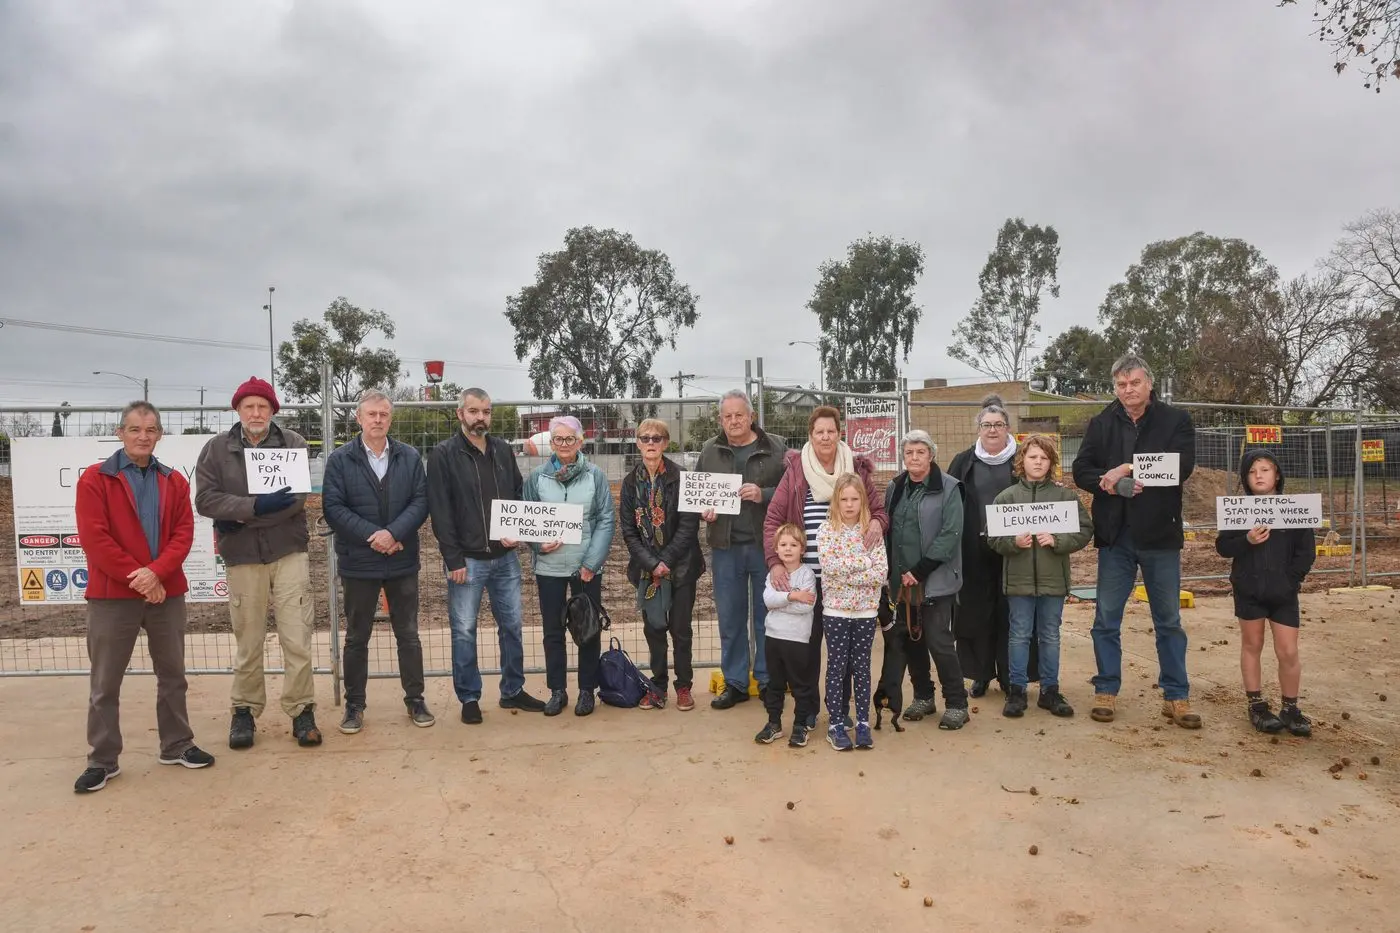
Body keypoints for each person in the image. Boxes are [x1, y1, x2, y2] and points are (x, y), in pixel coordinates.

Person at [73, 402, 215, 792]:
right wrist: (141, 577)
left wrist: (157, 573)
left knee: (172, 674)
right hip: (111, 596)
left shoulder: (174, 481)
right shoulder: (95, 480)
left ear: (159, 435)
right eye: (135, 429)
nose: (142, 436)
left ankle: (176, 744)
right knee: (106, 682)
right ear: (120, 433)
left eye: (150, 429)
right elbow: (95, 539)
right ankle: (102, 760)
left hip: (165, 592)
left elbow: (183, 534)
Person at [1071, 355, 1200, 729]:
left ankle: (1176, 696)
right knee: (1106, 619)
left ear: (1149, 384)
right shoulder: (1100, 423)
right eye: (1121, 385)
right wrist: (1111, 484)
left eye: (1135, 383)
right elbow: (1081, 470)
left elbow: (1181, 467)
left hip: (1160, 535)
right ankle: (1106, 688)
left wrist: (1126, 468)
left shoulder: (1176, 421)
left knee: (1169, 621)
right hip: (1115, 538)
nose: (1128, 390)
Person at [195, 377, 321, 748]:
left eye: (263, 407)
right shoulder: (216, 450)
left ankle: (301, 709)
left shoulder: (292, 443)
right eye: (249, 406)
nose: (256, 413)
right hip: (242, 557)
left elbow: (296, 500)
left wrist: (237, 514)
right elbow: (205, 500)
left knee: (296, 636)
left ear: (272, 411)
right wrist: (254, 507)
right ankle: (244, 711)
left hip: (288, 552)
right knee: (248, 639)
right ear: (238, 410)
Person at [427, 388, 546, 725]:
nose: (481, 417)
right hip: (468, 560)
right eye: (474, 411)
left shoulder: (503, 451)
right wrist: (453, 560)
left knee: (512, 627)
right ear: (460, 414)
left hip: (505, 557)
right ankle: (469, 697)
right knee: (464, 630)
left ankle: (512, 689)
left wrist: (521, 529)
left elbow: (518, 495)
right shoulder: (443, 455)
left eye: (486, 412)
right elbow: (441, 511)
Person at [765, 405, 889, 730]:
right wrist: (776, 562)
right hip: (807, 580)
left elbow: (878, 510)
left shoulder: (856, 470)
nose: (825, 437)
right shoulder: (796, 471)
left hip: (846, 586)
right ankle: (806, 710)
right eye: (819, 431)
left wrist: (877, 522)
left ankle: (840, 709)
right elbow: (774, 519)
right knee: (807, 648)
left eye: (830, 431)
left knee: (844, 654)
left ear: (839, 433)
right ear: (811, 435)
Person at [321, 389, 434, 734]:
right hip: (359, 562)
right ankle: (355, 705)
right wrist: (375, 536)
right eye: (371, 414)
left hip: (402, 560)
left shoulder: (410, 457)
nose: (378, 420)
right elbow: (334, 508)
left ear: (391, 418)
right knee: (357, 637)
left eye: (384, 414)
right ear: (358, 418)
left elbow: (420, 501)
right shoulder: (340, 459)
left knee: (409, 635)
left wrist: (394, 533)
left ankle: (415, 699)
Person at [987, 435, 1092, 718]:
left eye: (1044, 458)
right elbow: (993, 538)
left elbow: (1084, 530)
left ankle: (1050, 690)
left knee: (1049, 635)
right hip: (1018, 582)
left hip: (1053, 581)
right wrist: (1013, 543)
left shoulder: (1064, 497)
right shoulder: (1006, 499)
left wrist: (1058, 541)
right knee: (1019, 635)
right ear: (1022, 461)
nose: (1038, 462)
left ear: (1051, 463)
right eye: (1033, 457)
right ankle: (1017, 691)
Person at [696, 390, 788, 709]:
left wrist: (762, 493)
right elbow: (698, 493)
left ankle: (767, 680)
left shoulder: (776, 447)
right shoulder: (710, 450)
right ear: (720, 420)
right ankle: (734, 682)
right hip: (726, 546)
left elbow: (793, 490)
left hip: (767, 547)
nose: (733, 421)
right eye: (727, 416)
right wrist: (705, 511)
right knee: (731, 618)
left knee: (768, 616)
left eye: (739, 415)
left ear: (751, 417)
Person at [1215, 450, 1317, 736]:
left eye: (1265, 469)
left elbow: (1306, 552)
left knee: (1288, 651)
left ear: (1277, 475)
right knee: (1252, 645)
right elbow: (1223, 547)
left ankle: (1290, 707)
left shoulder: (1295, 509)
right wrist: (1246, 540)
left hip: (1284, 593)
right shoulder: (1237, 510)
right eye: (1252, 471)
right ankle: (1256, 704)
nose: (1258, 475)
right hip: (1248, 589)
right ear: (1246, 478)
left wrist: (1291, 581)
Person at [523, 415, 617, 718]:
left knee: (587, 630)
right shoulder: (537, 478)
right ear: (551, 443)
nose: (564, 444)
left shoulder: (595, 476)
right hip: (548, 567)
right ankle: (557, 691)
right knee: (553, 631)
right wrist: (538, 545)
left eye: (570, 439)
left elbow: (605, 519)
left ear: (580, 442)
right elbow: (528, 520)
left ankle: (587, 691)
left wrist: (592, 563)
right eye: (558, 439)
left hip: (585, 568)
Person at [880, 430, 971, 731]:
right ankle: (923, 696)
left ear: (931, 455)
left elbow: (951, 534)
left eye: (920, 452)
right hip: (901, 582)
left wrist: (920, 570)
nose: (914, 457)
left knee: (939, 641)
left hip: (934, 580)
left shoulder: (949, 488)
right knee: (910, 641)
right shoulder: (895, 487)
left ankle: (957, 703)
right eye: (909, 452)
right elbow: (889, 530)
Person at [619, 419, 705, 712]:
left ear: (666, 442)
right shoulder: (630, 483)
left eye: (657, 438)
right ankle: (657, 686)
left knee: (681, 630)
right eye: (645, 438)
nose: (651, 443)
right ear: (638, 442)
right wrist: (652, 563)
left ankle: (684, 687)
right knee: (654, 629)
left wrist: (666, 560)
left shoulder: (682, 478)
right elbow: (628, 531)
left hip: (681, 567)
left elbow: (689, 526)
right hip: (647, 570)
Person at [946, 394, 1022, 699]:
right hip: (973, 552)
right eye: (987, 424)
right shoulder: (963, 461)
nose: (992, 430)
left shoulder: (1022, 460)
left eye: (999, 424)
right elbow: (948, 504)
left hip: (1015, 551)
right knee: (976, 615)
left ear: (1007, 428)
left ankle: (1009, 674)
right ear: (978, 428)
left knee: (1010, 614)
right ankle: (980, 674)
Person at [817, 473, 888, 751]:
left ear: (863, 500)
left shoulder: (871, 532)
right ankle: (835, 723)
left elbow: (880, 573)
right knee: (836, 666)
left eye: (854, 499)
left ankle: (862, 722)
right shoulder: (826, 531)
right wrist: (863, 563)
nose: (849, 504)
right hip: (835, 610)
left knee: (861, 667)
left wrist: (848, 569)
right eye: (844, 499)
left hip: (866, 611)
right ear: (836, 500)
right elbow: (829, 568)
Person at [756, 523, 819, 747]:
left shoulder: (808, 575)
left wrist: (781, 601)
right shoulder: (774, 574)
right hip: (774, 638)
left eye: (793, 544)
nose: (788, 549)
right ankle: (774, 724)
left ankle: (801, 725)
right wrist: (793, 596)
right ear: (776, 549)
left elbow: (807, 607)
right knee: (775, 684)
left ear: (802, 549)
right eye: (783, 544)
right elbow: (767, 601)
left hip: (797, 640)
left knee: (800, 685)